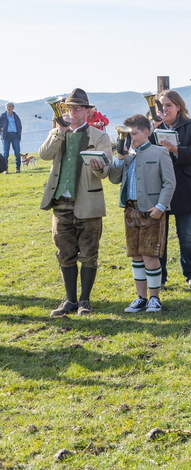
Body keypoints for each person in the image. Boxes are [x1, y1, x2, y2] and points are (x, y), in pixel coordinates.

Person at [39, 89, 112, 316]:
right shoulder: (58, 132)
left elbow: (106, 170)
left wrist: (100, 167)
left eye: (78, 108)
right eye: (70, 108)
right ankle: (70, 300)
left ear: (88, 111)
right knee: (64, 251)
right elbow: (44, 155)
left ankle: (85, 301)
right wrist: (59, 132)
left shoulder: (99, 136)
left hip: (87, 202)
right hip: (60, 201)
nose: (73, 112)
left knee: (89, 252)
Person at [109, 114, 176, 313]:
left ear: (146, 133)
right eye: (129, 134)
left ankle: (154, 298)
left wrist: (161, 206)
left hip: (151, 212)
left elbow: (169, 182)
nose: (131, 138)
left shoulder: (159, 152)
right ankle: (141, 297)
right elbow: (114, 179)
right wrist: (120, 159)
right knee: (136, 256)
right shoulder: (127, 155)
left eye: (135, 134)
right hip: (130, 211)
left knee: (150, 255)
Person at [151, 90, 191, 290]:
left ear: (178, 106)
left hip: (183, 186)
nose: (164, 109)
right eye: (161, 106)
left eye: (168, 105)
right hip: (160, 187)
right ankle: (160, 278)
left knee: (186, 234)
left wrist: (175, 150)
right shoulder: (154, 127)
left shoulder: (190, 127)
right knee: (160, 236)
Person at [1, 102, 22, 173]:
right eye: (7, 106)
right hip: (6, 136)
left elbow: (19, 125)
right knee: (5, 154)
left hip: (15, 135)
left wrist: (19, 134)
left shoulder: (16, 116)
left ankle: (18, 168)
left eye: (10, 106)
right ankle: (5, 169)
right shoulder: (2, 116)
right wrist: (1, 129)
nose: (8, 108)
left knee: (17, 152)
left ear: (13, 108)